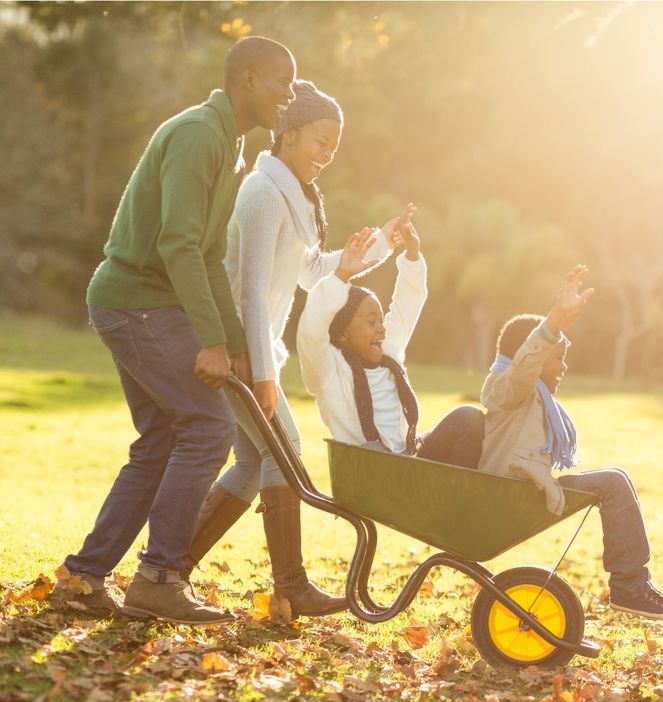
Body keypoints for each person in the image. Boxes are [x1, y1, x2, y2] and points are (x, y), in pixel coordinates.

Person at [52, 37, 298, 625]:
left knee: (161, 439)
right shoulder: (197, 135)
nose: (290, 96)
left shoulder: (229, 145)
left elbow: (210, 257)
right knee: (207, 427)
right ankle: (160, 577)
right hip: (136, 301)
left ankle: (84, 578)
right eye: (281, 82)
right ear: (246, 79)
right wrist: (212, 343)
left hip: (145, 303)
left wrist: (234, 343)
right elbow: (177, 244)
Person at [181, 80, 406, 616]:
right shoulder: (261, 193)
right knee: (285, 451)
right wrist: (262, 370)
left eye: (334, 145)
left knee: (254, 462)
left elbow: (311, 271)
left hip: (251, 354)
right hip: (238, 353)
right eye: (320, 141)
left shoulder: (294, 198)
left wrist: (382, 245)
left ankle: (167, 570)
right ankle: (291, 586)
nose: (327, 154)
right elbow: (250, 290)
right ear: (287, 134)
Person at [479, 266, 663, 620]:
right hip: (508, 493)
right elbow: (524, 365)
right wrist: (555, 320)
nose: (563, 368)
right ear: (531, 358)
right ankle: (629, 587)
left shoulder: (531, 397)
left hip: (525, 487)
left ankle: (631, 585)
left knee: (615, 478)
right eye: (558, 358)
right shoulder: (508, 389)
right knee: (613, 482)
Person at [296, 217, 485, 467]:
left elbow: (407, 306)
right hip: (371, 472)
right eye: (371, 321)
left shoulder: (388, 354)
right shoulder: (328, 369)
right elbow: (311, 330)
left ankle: (454, 498)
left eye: (381, 321)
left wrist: (412, 255)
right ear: (343, 334)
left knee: (469, 418)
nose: (381, 329)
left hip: (406, 460)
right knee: (378, 451)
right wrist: (341, 275)